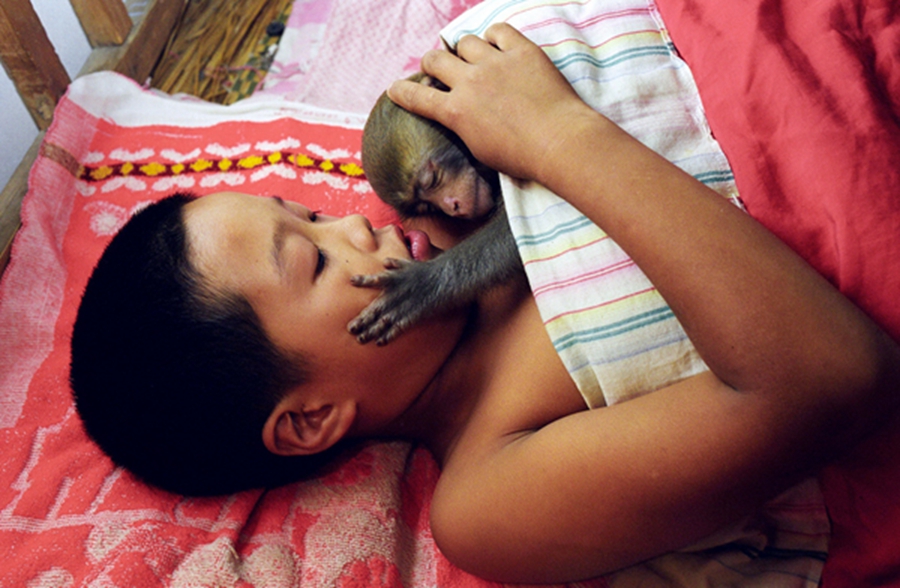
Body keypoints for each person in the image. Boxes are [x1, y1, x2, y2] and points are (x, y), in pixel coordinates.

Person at [70, 24, 900, 583]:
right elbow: (831, 381)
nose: (359, 224)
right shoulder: (487, 497)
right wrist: (555, 134)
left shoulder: (466, 227)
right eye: (314, 260)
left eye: (316, 214)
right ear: (310, 418)